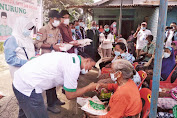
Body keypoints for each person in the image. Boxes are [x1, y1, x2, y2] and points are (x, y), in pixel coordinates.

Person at [12, 52, 98, 118]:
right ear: (87, 60)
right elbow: (70, 95)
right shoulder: (73, 67)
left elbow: (69, 87)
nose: (90, 69)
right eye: (92, 66)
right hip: (27, 87)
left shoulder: (71, 57)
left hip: (20, 80)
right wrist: (89, 87)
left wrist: (82, 95)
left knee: (25, 113)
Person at [34, 10, 65, 114]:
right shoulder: (43, 29)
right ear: (51, 19)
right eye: (56, 19)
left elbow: (59, 40)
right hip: (46, 58)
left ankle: (55, 99)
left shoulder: (57, 30)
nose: (58, 21)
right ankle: (50, 104)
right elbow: (37, 43)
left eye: (59, 20)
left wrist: (61, 45)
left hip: (55, 57)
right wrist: (52, 46)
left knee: (54, 80)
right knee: (49, 81)